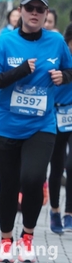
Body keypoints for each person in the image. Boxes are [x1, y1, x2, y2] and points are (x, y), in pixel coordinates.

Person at [0, 0, 72, 263]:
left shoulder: (56, 42)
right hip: (5, 126)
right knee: (9, 185)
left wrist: (63, 76)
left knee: (33, 179)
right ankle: (6, 241)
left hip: (41, 126)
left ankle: (28, 237)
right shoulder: (4, 42)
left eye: (40, 9)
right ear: (21, 11)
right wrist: (20, 71)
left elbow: (70, 70)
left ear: (46, 14)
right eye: (30, 8)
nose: (34, 13)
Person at [48, 23, 72, 234]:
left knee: (71, 165)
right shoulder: (57, 57)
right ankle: (55, 210)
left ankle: (70, 213)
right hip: (55, 115)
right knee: (56, 166)